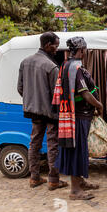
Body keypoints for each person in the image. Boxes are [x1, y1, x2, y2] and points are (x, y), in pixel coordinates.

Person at [54, 37, 103, 200]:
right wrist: (99, 106)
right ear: (82, 50)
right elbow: (85, 94)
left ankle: (80, 181)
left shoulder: (66, 65)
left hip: (72, 115)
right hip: (79, 117)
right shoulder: (76, 68)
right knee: (77, 151)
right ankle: (75, 191)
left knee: (77, 150)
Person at [17, 32, 68, 190]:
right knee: (53, 144)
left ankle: (34, 177)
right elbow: (57, 94)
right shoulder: (51, 66)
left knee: (34, 142)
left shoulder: (25, 62)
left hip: (33, 111)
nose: (56, 49)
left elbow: (20, 88)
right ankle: (53, 180)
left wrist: (32, 100)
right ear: (47, 45)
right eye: (55, 45)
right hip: (50, 112)